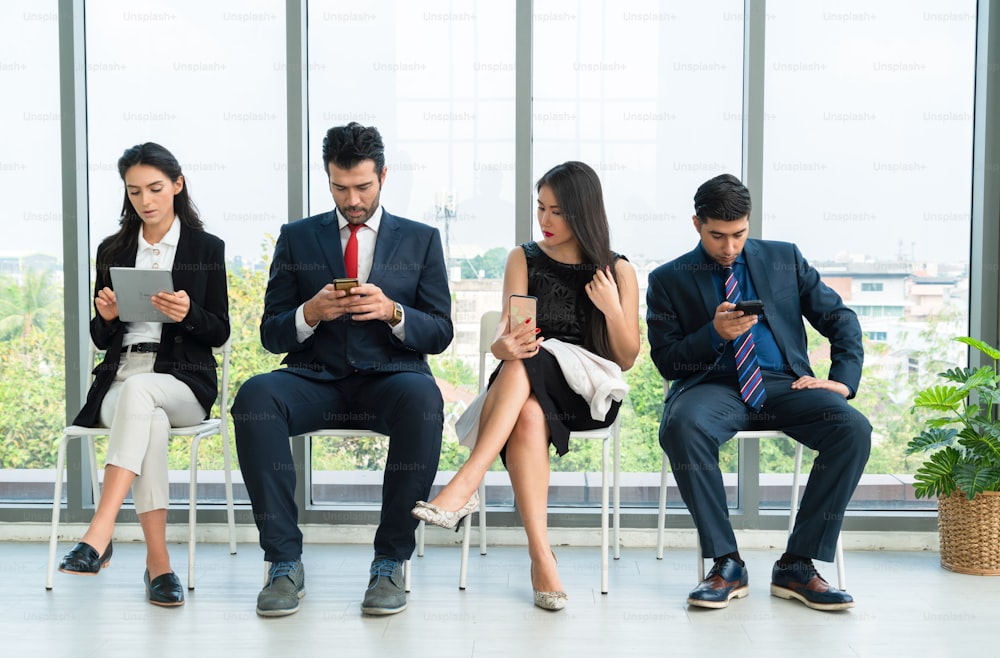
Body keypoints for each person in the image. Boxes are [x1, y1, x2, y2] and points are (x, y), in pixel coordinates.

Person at [231, 122, 453, 618]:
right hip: (314, 378)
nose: (351, 199)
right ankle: (283, 561)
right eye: (339, 187)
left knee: (424, 400)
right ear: (327, 178)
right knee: (254, 398)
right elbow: (271, 334)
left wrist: (393, 313)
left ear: (383, 176)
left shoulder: (422, 240)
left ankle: (390, 560)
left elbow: (439, 331)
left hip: (391, 379)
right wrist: (309, 313)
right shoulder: (296, 238)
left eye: (362, 187)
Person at [411, 161, 640, 611]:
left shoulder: (618, 271)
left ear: (583, 213)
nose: (545, 220)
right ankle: (541, 556)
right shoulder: (523, 258)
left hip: (587, 393)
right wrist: (505, 347)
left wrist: (612, 308)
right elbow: (503, 345)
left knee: (529, 366)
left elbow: (627, 359)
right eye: (541, 208)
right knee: (527, 393)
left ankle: (466, 484)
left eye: (557, 211)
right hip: (524, 389)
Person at [646, 173, 871, 611]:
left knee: (852, 429)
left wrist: (842, 380)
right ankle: (726, 563)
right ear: (697, 225)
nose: (729, 247)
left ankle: (798, 564)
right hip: (712, 387)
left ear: (750, 223)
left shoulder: (784, 258)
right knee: (682, 425)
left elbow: (840, 318)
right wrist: (714, 332)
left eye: (738, 234)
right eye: (717, 236)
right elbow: (668, 361)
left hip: (785, 384)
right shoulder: (668, 279)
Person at [58, 142, 230, 608]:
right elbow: (99, 336)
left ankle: (100, 531)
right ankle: (159, 564)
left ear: (177, 185)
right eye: (134, 192)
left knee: (145, 394)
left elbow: (219, 330)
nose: (145, 201)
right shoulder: (113, 249)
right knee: (144, 413)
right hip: (121, 380)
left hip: (182, 381)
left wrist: (189, 312)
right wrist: (109, 315)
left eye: (155, 188)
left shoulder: (205, 248)